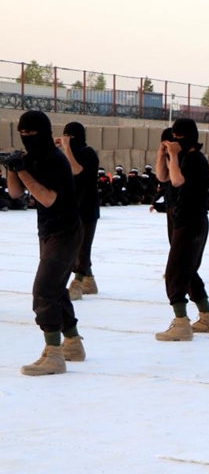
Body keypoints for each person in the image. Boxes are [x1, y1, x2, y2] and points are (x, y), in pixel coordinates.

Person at [6, 111, 85, 375]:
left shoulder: (55, 160)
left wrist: (22, 170)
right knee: (57, 289)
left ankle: (54, 354)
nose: (27, 138)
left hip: (66, 231)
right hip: (49, 232)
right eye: (23, 134)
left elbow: (47, 198)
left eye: (31, 134)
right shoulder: (33, 158)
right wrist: (11, 168)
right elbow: (15, 193)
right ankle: (72, 344)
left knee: (44, 291)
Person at [154, 118, 209, 341]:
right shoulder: (181, 158)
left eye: (179, 137)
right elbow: (162, 177)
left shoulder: (195, 160)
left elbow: (178, 180)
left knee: (175, 272)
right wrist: (163, 154)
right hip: (181, 219)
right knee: (187, 270)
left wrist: (173, 155)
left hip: (192, 221)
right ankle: (207, 317)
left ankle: (181, 323)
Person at [59, 122, 100, 301]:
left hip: (87, 207)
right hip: (71, 206)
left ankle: (77, 283)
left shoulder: (87, 153)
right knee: (75, 246)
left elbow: (76, 170)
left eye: (71, 136)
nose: (68, 139)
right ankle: (89, 280)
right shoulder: (66, 155)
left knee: (83, 247)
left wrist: (67, 148)